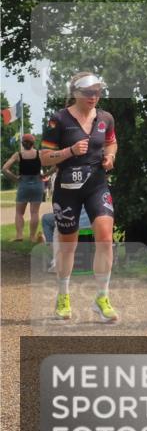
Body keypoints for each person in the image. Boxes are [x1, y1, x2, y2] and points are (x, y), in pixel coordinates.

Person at [40, 71, 119, 323]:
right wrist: (69, 151)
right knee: (68, 245)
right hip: (67, 189)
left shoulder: (105, 118)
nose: (93, 96)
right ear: (74, 93)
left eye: (97, 91)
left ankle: (102, 298)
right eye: (88, 92)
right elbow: (43, 157)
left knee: (105, 238)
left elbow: (111, 142)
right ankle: (63, 296)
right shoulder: (59, 120)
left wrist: (110, 157)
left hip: (97, 185)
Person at [2, 133, 48, 243]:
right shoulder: (40, 153)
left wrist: (15, 178)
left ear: (22, 143)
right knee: (34, 213)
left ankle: (19, 236)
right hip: (37, 184)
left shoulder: (18, 155)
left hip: (23, 184)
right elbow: (56, 165)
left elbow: (4, 169)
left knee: (19, 212)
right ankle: (32, 237)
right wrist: (46, 174)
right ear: (33, 143)